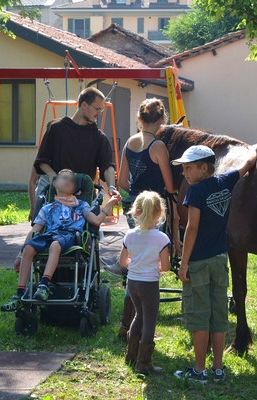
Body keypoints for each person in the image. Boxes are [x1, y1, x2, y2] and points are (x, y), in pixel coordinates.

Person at [171, 142, 257, 384]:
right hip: (220, 260)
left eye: (188, 168)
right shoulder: (225, 181)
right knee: (219, 315)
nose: (184, 174)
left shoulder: (195, 192)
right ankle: (218, 368)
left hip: (199, 263)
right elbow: (246, 164)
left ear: (204, 168)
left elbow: (191, 229)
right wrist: (253, 149)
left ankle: (200, 370)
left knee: (200, 316)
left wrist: (183, 264)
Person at [104, 98, 177, 340]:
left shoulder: (130, 142)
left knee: (135, 262)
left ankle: (126, 325)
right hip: (153, 207)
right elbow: (168, 185)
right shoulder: (158, 147)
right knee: (148, 262)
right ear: (162, 120)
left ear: (140, 118)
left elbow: (123, 181)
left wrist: (137, 189)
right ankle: (140, 326)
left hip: (134, 205)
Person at [0, 169, 121, 311]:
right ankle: (20, 293)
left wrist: (110, 204)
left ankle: (44, 285)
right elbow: (34, 231)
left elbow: (95, 221)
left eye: (72, 180)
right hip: (50, 234)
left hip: (70, 235)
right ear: (55, 183)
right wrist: (19, 255)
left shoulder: (81, 205)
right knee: (29, 247)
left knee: (55, 245)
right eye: (64, 178)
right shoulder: (47, 208)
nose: (69, 181)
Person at [33, 87, 118, 206]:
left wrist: (111, 186)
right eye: (97, 109)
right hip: (55, 196)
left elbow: (107, 166)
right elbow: (42, 161)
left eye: (101, 110)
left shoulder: (99, 137)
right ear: (84, 105)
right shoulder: (56, 129)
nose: (99, 113)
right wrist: (54, 177)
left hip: (83, 199)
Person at [120, 191, 171, 375]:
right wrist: (156, 265)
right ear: (159, 213)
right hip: (149, 284)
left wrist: (135, 264)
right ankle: (144, 363)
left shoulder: (130, 235)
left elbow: (122, 261)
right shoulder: (162, 239)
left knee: (138, 316)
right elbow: (165, 266)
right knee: (149, 322)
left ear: (136, 212)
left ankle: (131, 355)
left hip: (132, 282)